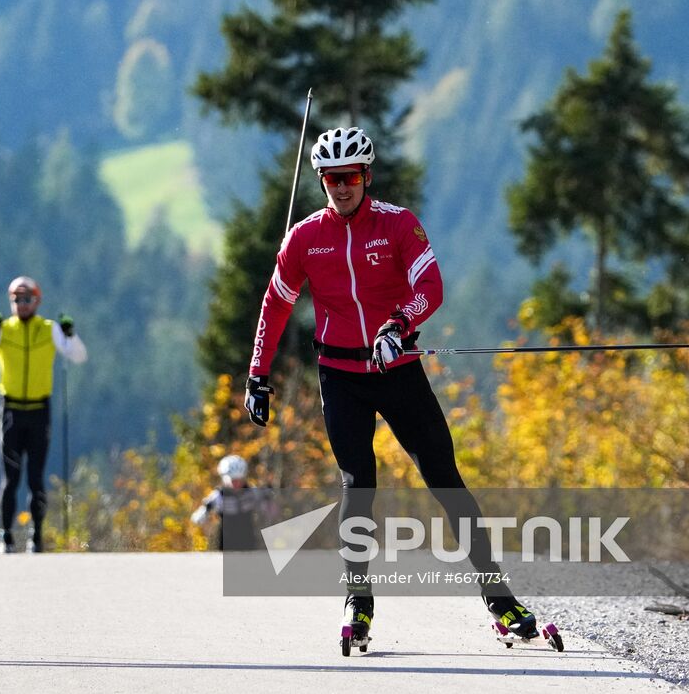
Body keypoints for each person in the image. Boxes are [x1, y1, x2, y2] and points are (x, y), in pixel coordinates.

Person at [243, 126, 538, 651]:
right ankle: (359, 600)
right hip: (340, 378)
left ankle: (499, 599)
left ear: (367, 176)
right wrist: (258, 375)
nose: (342, 187)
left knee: (446, 480)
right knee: (359, 487)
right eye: (332, 178)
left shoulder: (399, 224)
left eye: (351, 176)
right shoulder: (305, 237)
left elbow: (432, 285)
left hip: (396, 369)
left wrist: (398, 324)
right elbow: (276, 304)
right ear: (321, 180)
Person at [0, 276, 87, 553]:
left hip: (39, 412)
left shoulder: (49, 329)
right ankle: (5, 536)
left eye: (27, 299)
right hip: (10, 411)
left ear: (37, 300)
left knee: (35, 477)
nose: (21, 305)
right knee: (11, 478)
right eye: (16, 300)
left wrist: (71, 335)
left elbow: (78, 356)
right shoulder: (3, 329)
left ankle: (37, 536)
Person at [191, 454, 263, 551]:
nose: (237, 484)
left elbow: (268, 506)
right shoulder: (219, 495)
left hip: (249, 541)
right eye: (233, 480)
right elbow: (203, 512)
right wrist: (202, 515)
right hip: (225, 542)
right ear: (225, 478)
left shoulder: (252, 493)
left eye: (239, 480)